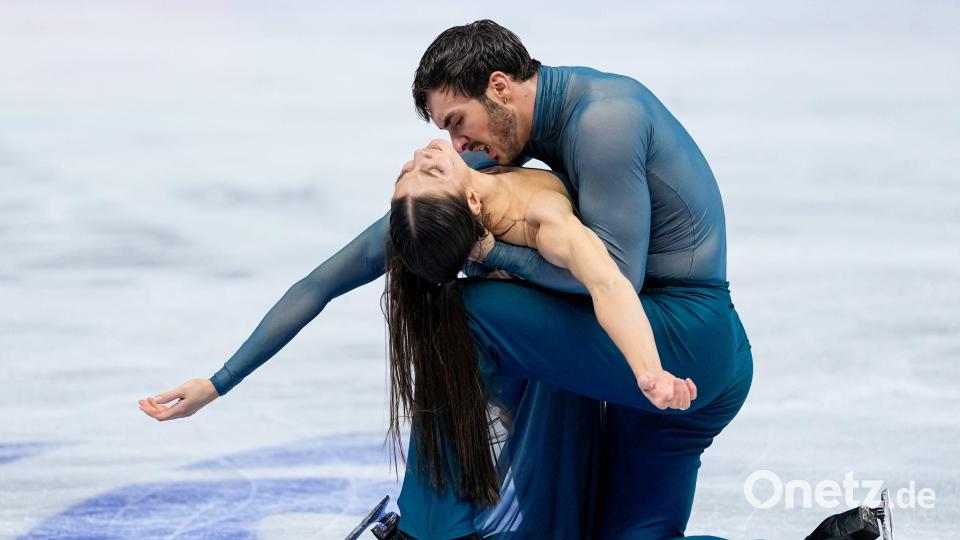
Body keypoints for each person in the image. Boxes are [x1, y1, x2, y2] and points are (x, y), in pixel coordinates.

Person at [141, 19, 753, 539]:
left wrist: (495, 252)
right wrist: (219, 382)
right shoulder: (487, 163)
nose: (454, 144)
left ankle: (424, 530)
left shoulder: (604, 121)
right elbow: (323, 281)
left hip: (679, 341)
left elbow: (617, 275)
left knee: (468, 311)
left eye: (458, 122)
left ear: (499, 87)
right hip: (674, 367)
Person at [383, 137, 699, 513]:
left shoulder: (518, 202)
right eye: (421, 170)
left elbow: (609, 282)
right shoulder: (519, 217)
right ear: (470, 201)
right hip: (572, 342)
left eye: (416, 167)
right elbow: (605, 282)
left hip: (627, 334)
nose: (420, 155)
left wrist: (650, 369)